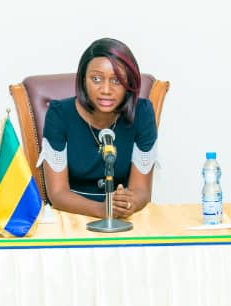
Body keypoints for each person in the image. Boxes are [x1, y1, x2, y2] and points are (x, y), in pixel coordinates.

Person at [38, 38, 157, 219]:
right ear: (83, 80)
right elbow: (58, 194)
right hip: (72, 215)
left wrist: (130, 202)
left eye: (117, 81)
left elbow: (141, 190)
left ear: (129, 84)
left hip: (122, 219)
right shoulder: (59, 114)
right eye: (96, 79)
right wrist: (102, 210)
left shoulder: (143, 113)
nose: (106, 90)